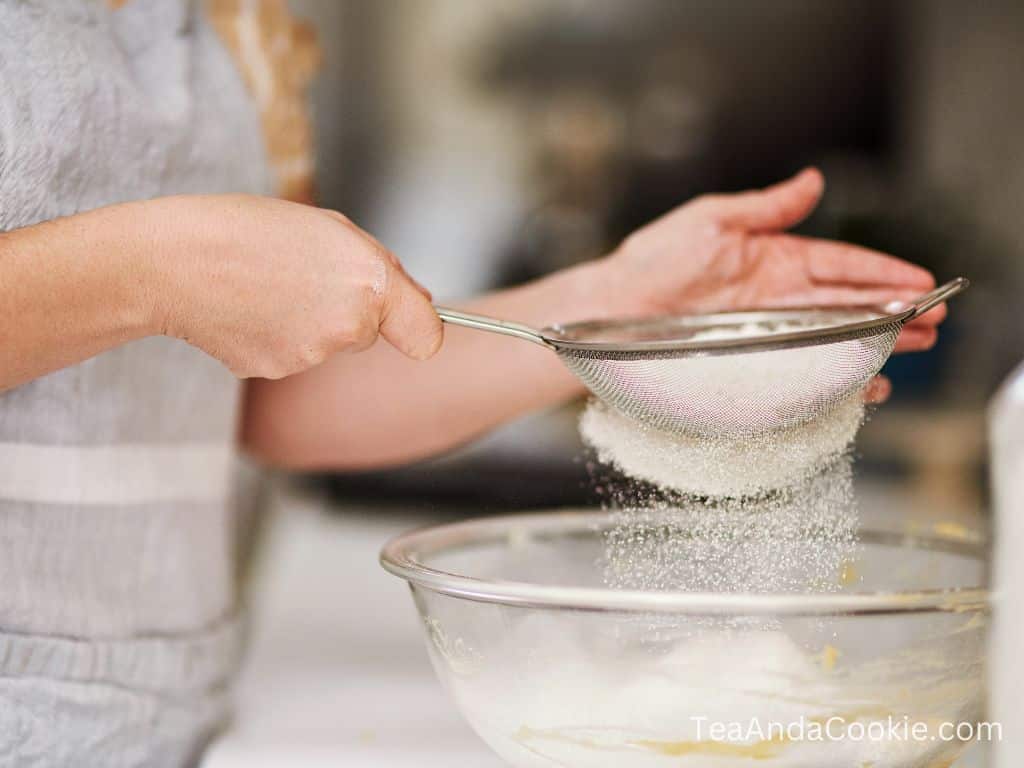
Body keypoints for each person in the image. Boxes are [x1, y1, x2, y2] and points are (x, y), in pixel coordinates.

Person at [0, 2, 945, 767]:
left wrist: (612, 317)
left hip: (171, 717)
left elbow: (255, 401)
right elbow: (163, 286)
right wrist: (151, 268)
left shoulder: (229, 25)